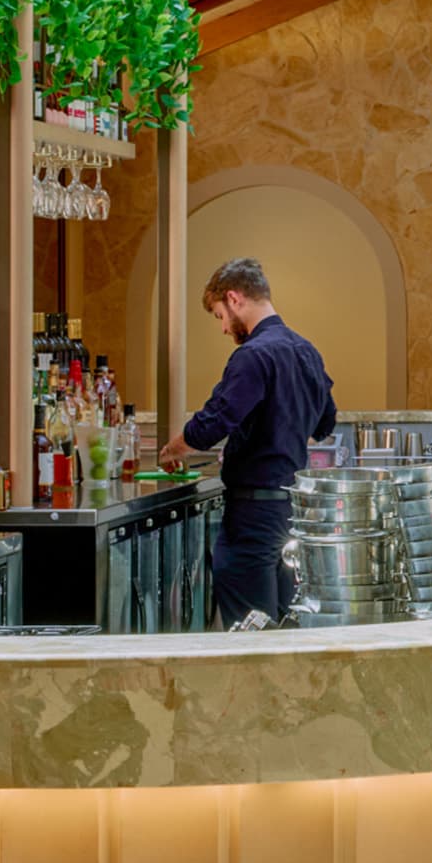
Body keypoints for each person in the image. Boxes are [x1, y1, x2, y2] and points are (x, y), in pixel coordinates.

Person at [158, 258, 335, 626]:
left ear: (234, 298)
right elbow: (325, 423)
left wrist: (173, 448)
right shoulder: (307, 352)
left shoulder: (253, 355)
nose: (224, 328)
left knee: (249, 629)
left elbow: (216, 419)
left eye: (220, 315)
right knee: (284, 624)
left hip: (253, 514)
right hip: (290, 512)